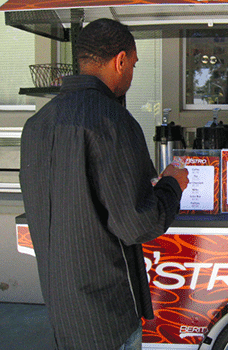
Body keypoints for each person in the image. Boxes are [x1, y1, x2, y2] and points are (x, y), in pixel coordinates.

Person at [19, 18, 189, 350]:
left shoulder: (35, 125)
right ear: (120, 60)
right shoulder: (112, 121)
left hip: (61, 306)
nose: (131, 74)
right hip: (107, 311)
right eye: (134, 65)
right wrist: (172, 184)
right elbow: (139, 223)